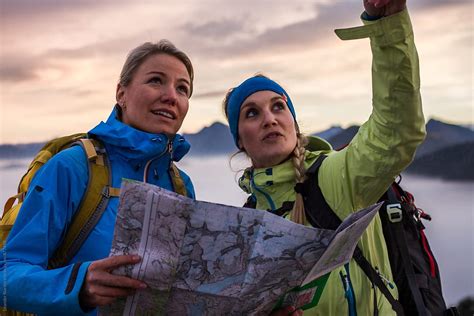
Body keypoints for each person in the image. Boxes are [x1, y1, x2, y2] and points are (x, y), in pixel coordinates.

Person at [222, 0, 425, 315]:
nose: (269, 118)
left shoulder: (336, 178)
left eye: (279, 106)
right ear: (239, 139)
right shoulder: (246, 224)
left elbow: (396, 130)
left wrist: (389, 26)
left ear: (294, 122)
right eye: (252, 113)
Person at [1, 40, 195, 315]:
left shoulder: (181, 185)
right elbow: (7, 273)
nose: (171, 96)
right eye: (156, 81)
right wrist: (78, 286)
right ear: (121, 93)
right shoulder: (74, 167)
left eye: (182, 88)